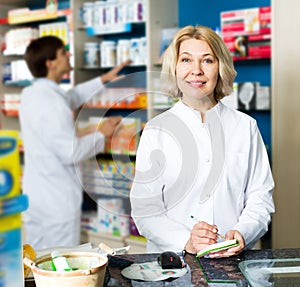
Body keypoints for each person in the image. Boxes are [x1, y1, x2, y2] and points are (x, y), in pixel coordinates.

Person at [130, 25, 274, 257]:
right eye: (186, 60)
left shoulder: (245, 126)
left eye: (207, 60)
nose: (196, 70)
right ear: (174, 69)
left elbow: (261, 197)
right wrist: (185, 241)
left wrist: (243, 233)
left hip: (233, 259)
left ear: (220, 68)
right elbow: (145, 209)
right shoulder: (157, 130)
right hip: (174, 262)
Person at [20, 35, 129, 249]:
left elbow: (70, 97)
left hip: (36, 197)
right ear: (50, 63)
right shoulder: (53, 104)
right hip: (57, 202)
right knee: (60, 266)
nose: (69, 54)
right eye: (63, 53)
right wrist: (101, 133)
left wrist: (102, 80)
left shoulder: (31, 94)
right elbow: (71, 153)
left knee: (34, 263)